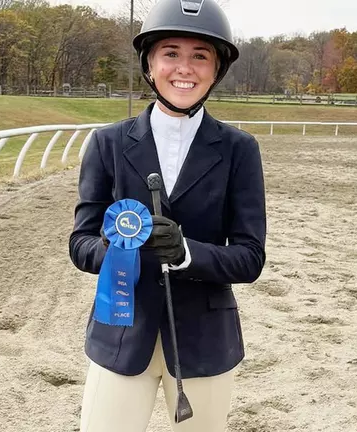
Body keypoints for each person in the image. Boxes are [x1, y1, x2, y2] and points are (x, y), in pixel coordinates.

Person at [68, 0, 267, 430]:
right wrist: (123, 250)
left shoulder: (240, 151)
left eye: (201, 56)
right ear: (150, 64)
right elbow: (80, 244)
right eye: (171, 53)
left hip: (205, 343)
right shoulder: (107, 144)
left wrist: (186, 254)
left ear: (216, 71)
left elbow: (250, 258)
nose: (185, 68)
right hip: (122, 335)